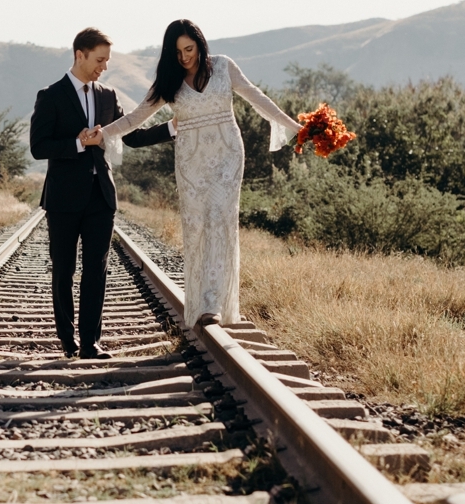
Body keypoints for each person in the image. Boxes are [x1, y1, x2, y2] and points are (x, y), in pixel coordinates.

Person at [98, 19, 302, 329]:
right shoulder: (169, 80)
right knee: (197, 228)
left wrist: (295, 127)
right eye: (177, 52)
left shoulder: (223, 66)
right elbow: (137, 117)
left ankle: (213, 304)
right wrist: (101, 134)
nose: (184, 57)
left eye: (189, 49)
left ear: (200, 44)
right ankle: (203, 301)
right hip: (190, 163)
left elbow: (257, 97)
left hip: (227, 156)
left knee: (220, 220)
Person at [30, 28, 177, 359]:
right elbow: (38, 147)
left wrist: (170, 128)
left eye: (107, 61)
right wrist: (78, 144)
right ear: (79, 55)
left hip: (101, 197)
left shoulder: (108, 96)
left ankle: (90, 344)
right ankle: (67, 341)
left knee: (97, 270)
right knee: (64, 270)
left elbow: (131, 136)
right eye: (99, 60)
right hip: (63, 199)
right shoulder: (50, 95)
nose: (104, 67)